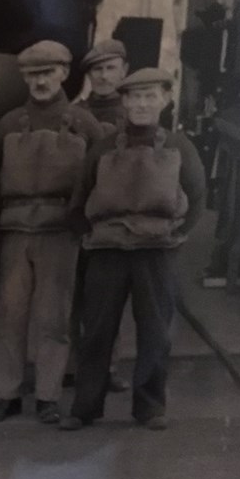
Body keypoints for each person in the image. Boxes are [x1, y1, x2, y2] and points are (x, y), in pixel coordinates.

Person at [60, 69, 205, 431]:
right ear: (124, 102)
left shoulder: (179, 146)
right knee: (96, 332)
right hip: (107, 253)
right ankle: (85, 408)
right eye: (135, 98)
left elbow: (198, 198)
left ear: (165, 101)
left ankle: (150, 408)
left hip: (156, 254)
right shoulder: (104, 147)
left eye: (150, 96)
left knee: (155, 332)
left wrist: (175, 236)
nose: (142, 104)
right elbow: (79, 201)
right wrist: (92, 240)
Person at [0, 41, 104, 425]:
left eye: (48, 73)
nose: (40, 82)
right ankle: (7, 394)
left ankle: (48, 396)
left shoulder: (84, 124)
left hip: (60, 234)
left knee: (54, 318)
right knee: (10, 316)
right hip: (14, 231)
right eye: (32, 75)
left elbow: (100, 179)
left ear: (65, 74)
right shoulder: (7, 123)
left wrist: (83, 226)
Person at [70, 39, 132, 393]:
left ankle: (108, 367)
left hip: (117, 220)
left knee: (112, 297)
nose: (104, 76)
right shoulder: (75, 114)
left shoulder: (134, 113)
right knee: (75, 295)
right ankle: (74, 365)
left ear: (124, 70)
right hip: (82, 218)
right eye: (97, 69)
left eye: (110, 68)